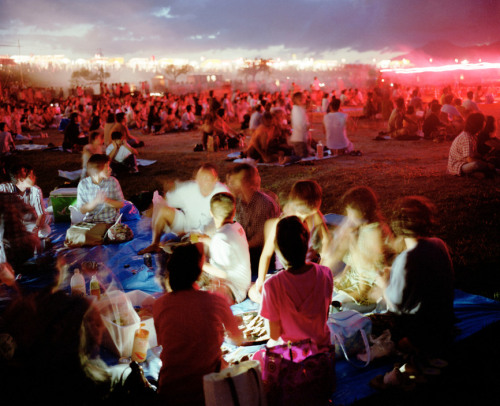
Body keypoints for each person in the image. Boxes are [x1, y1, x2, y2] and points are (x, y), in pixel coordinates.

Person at [153, 243, 242, 406]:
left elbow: (163, 342)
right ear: (199, 273)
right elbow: (238, 339)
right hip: (209, 391)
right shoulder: (216, 300)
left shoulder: (159, 305)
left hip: (169, 391)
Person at [378, 196, 455, 358]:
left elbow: (394, 305)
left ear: (397, 227)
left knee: (372, 326)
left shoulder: (404, 259)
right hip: (445, 323)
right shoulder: (439, 244)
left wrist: (383, 284)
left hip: (420, 335)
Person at [250, 180, 331, 303]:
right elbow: (266, 255)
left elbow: (326, 240)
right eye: (302, 214)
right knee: (256, 291)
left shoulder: (314, 215)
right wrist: (260, 282)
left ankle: (285, 301)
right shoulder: (282, 224)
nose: (304, 218)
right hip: (295, 273)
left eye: (307, 214)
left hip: (300, 273)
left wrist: (323, 264)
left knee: (252, 292)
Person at [260, 216, 333, 349]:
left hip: (292, 358)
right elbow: (325, 316)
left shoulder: (272, 285)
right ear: (306, 243)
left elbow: (274, 335)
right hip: (322, 353)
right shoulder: (325, 273)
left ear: (278, 249)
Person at [323, 186, 395, 310]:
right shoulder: (366, 225)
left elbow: (372, 266)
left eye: (351, 213)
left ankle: (352, 297)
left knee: (339, 299)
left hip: (371, 277)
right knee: (339, 241)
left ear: (362, 212)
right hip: (363, 268)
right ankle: (322, 277)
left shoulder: (374, 233)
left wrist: (351, 241)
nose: (348, 216)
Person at [138, 164, 228, 254]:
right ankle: (155, 244)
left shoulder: (222, 193)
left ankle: (183, 244)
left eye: (207, 178)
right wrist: (148, 217)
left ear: (215, 180)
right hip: (186, 227)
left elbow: (226, 220)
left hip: (208, 234)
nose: (203, 182)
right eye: (200, 178)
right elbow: (166, 200)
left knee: (195, 245)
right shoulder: (189, 188)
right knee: (162, 210)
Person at [226, 163, 280, 279]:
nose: (229, 185)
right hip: (245, 251)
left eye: (234, 182)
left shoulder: (264, 204)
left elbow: (260, 240)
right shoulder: (239, 201)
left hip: (260, 257)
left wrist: (236, 247)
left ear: (247, 183)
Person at [200, 192, 251, 304]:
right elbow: (227, 246)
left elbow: (222, 273)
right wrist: (205, 239)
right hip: (242, 284)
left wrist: (200, 264)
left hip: (232, 290)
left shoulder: (220, 237)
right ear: (234, 211)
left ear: (211, 213)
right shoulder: (236, 226)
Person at [0, 163, 51, 238]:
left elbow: (41, 214)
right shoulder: (4, 189)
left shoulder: (35, 190)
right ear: (20, 178)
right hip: (9, 224)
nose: (34, 177)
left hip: (28, 223)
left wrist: (36, 229)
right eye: (31, 175)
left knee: (45, 230)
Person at [75, 154, 124, 224]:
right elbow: (82, 210)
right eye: (107, 167)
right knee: (71, 233)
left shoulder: (113, 182)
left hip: (110, 222)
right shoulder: (83, 184)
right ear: (96, 170)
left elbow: (121, 204)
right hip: (90, 222)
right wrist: (96, 201)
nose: (110, 169)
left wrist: (106, 201)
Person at [448, 112, 495, 178]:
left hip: (466, 163)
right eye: (483, 122)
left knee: (483, 164)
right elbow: (469, 159)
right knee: (477, 164)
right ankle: (472, 174)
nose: (484, 124)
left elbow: (473, 154)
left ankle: (477, 173)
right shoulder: (466, 137)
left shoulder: (472, 136)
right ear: (478, 124)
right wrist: (486, 165)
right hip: (459, 166)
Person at [289, 92, 310, 158]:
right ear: (299, 99)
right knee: (302, 158)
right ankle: (287, 159)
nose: (305, 99)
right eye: (303, 97)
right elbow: (300, 125)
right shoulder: (297, 110)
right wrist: (307, 126)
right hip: (299, 139)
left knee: (304, 157)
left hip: (300, 138)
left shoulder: (298, 109)